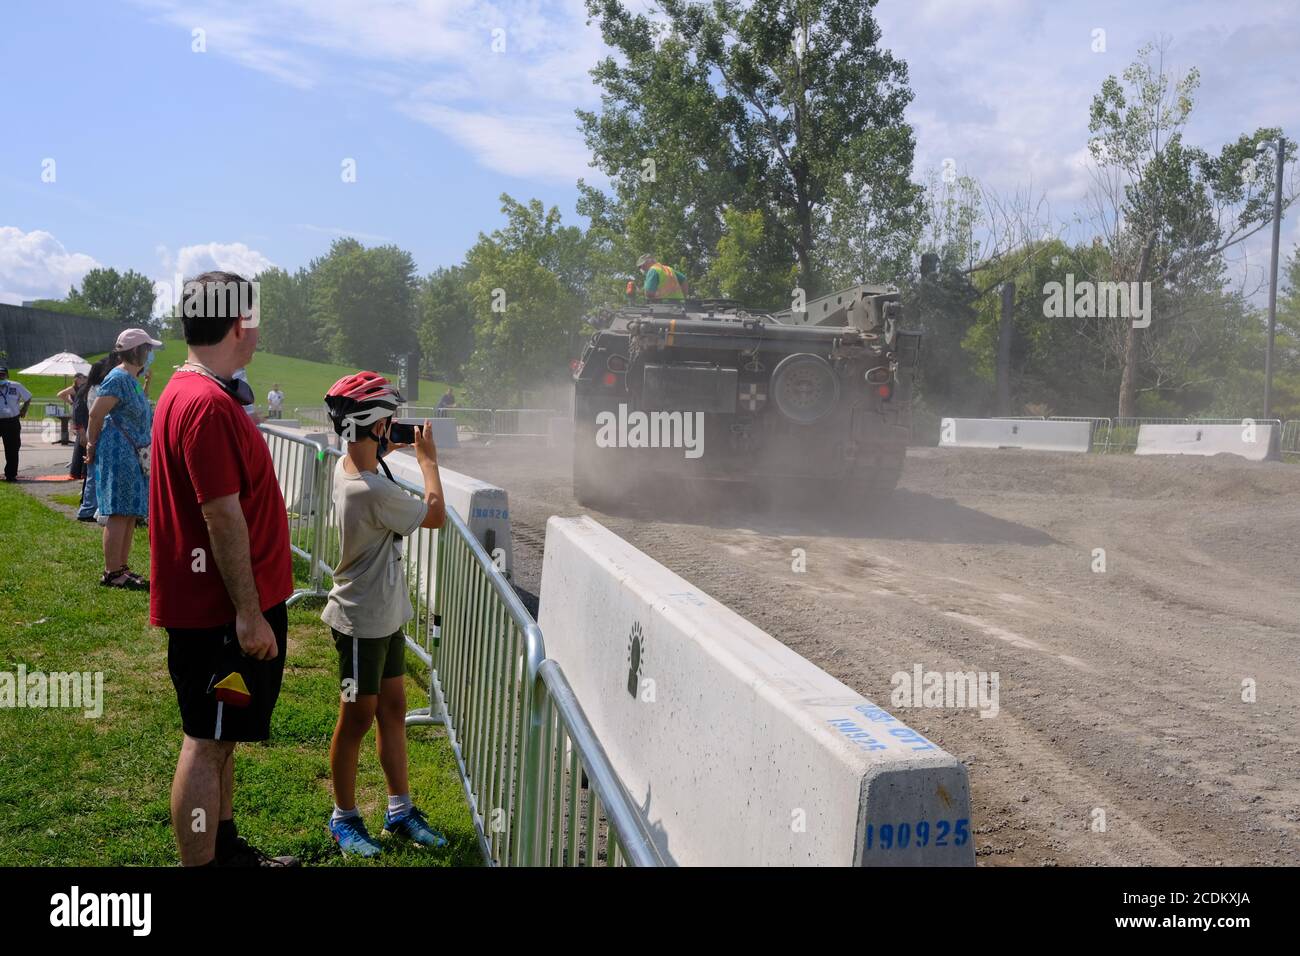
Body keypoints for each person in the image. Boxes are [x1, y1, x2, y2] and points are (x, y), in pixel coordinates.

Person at [150, 270, 297, 867]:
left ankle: (226, 850)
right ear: (241, 324)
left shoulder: (192, 390)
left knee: (221, 736)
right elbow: (222, 517)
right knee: (207, 742)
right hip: (220, 616)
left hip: (219, 611)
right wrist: (248, 613)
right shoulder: (207, 404)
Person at [321, 371, 447, 857]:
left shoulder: (349, 469)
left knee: (392, 709)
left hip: (384, 615)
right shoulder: (373, 491)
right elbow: (433, 514)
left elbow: (367, 464)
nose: (393, 427)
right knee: (357, 718)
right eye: (388, 422)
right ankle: (344, 819)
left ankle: (399, 809)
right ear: (373, 425)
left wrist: (382, 446)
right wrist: (429, 462)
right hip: (360, 624)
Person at [85, 330, 158, 589]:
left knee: (129, 512)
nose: (150, 355)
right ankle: (112, 571)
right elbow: (96, 414)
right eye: (147, 350)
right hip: (119, 452)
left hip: (133, 453)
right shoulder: (118, 377)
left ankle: (121, 568)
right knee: (118, 512)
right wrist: (91, 445)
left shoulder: (132, 378)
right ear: (137, 351)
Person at [77, 355, 121, 521]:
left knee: (92, 474)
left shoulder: (91, 389)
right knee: (98, 474)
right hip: (100, 433)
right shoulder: (100, 389)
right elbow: (98, 414)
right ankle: (90, 509)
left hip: (94, 432)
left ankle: (88, 508)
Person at [0, 364, 32, 482]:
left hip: (11, 421)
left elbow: (28, 397)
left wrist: (24, 409)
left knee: (12, 449)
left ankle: (11, 474)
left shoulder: (16, 386)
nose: (0, 377)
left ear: (7, 375)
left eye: (2, 375)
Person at [59, 372, 89, 479]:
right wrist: (71, 402)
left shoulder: (85, 388)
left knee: (80, 442)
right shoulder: (74, 389)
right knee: (80, 439)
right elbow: (60, 394)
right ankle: (78, 470)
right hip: (79, 413)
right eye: (83, 377)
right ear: (77, 379)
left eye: (85, 377)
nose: (85, 378)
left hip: (81, 413)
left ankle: (78, 470)